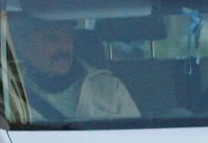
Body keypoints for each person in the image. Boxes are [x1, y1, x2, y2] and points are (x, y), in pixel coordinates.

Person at [11, 15, 140, 121]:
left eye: (68, 37)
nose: (64, 47)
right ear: (25, 48)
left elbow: (136, 141)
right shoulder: (9, 93)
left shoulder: (110, 88)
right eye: (52, 39)